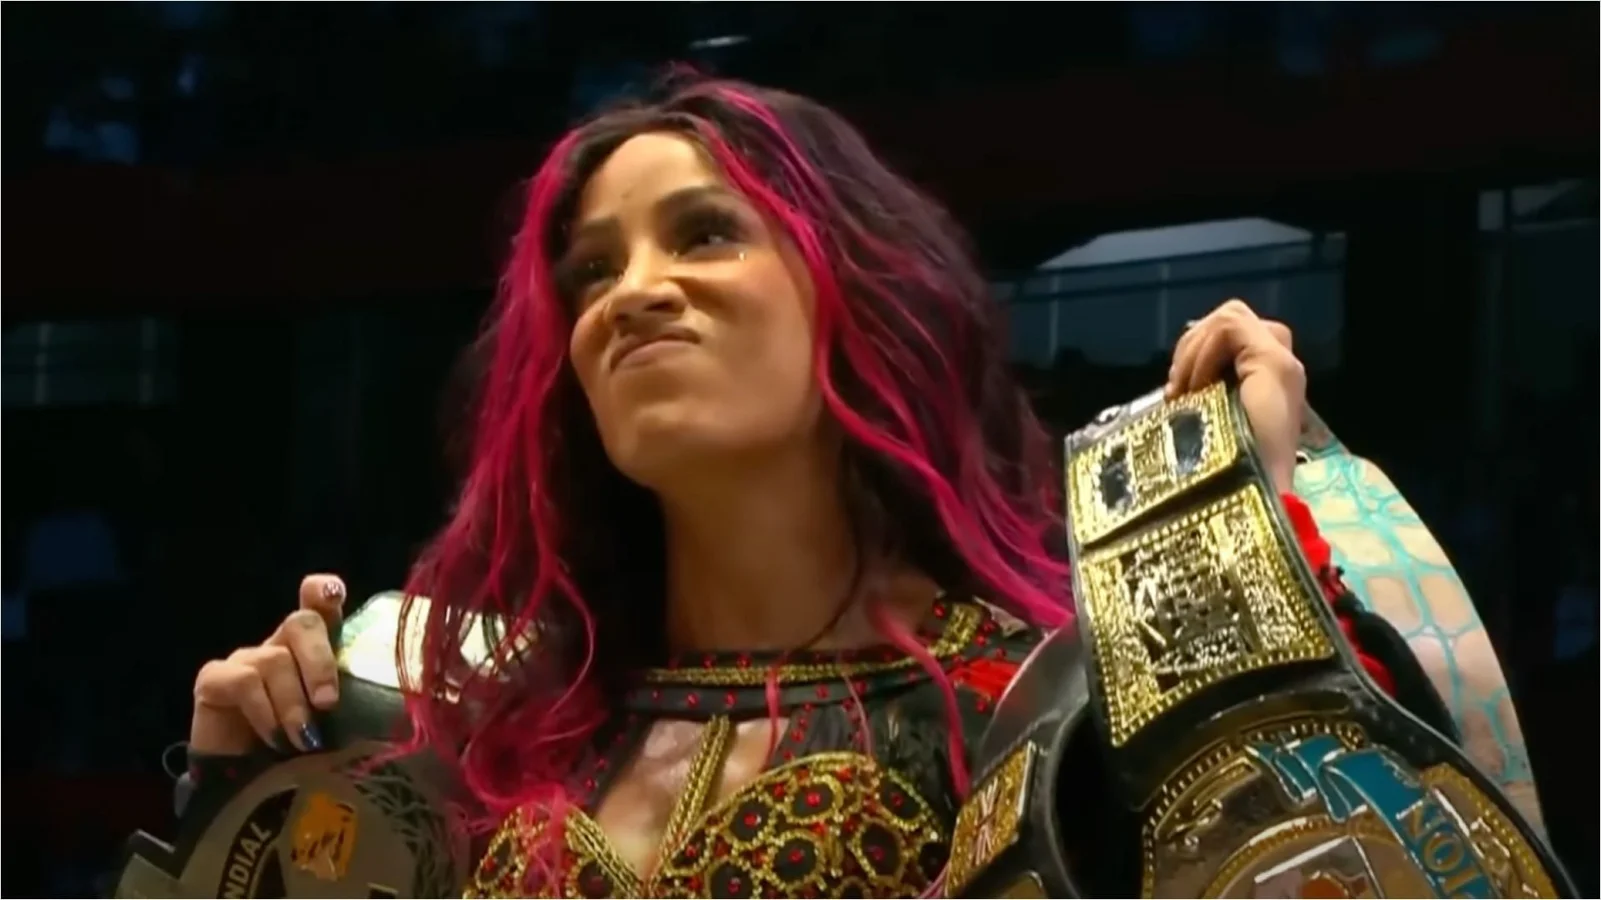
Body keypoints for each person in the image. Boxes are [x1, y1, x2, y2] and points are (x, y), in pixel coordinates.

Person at [176, 75, 1542, 898]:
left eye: (705, 234)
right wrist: (238, 807)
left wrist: (1226, 533)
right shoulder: (470, 737)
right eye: (591, 270)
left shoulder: (1044, 700)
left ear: (853, 294)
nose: (633, 292)